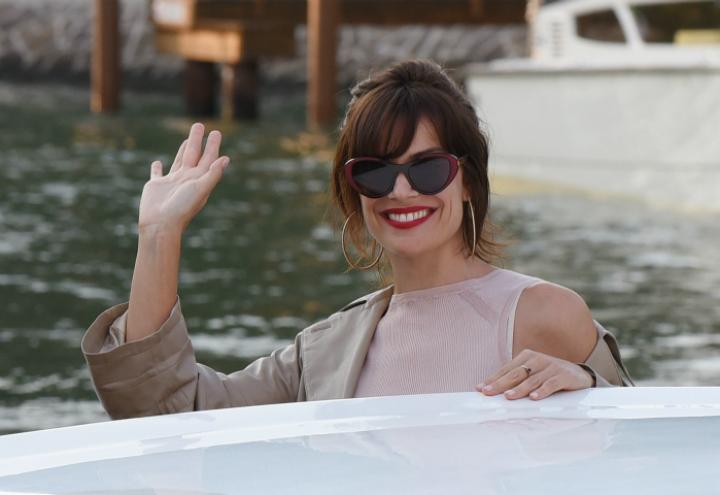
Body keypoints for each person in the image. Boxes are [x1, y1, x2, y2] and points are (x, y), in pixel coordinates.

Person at [82, 60, 632, 420]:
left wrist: (588, 388)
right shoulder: (326, 349)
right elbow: (166, 414)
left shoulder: (546, 314)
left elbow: (637, 454)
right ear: (354, 191)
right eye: (374, 171)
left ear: (468, 180)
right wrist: (158, 235)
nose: (400, 190)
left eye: (428, 169)